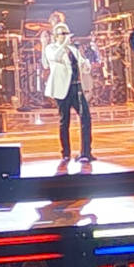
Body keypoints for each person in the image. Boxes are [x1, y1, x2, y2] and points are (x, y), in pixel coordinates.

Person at [40, 11, 98, 160]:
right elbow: (55, 58)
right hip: (61, 90)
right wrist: (63, 44)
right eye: (61, 33)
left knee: (86, 118)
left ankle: (86, 152)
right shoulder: (51, 48)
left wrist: (86, 66)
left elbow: (82, 63)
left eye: (66, 33)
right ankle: (65, 153)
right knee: (64, 121)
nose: (65, 36)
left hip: (76, 88)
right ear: (55, 36)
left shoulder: (73, 49)